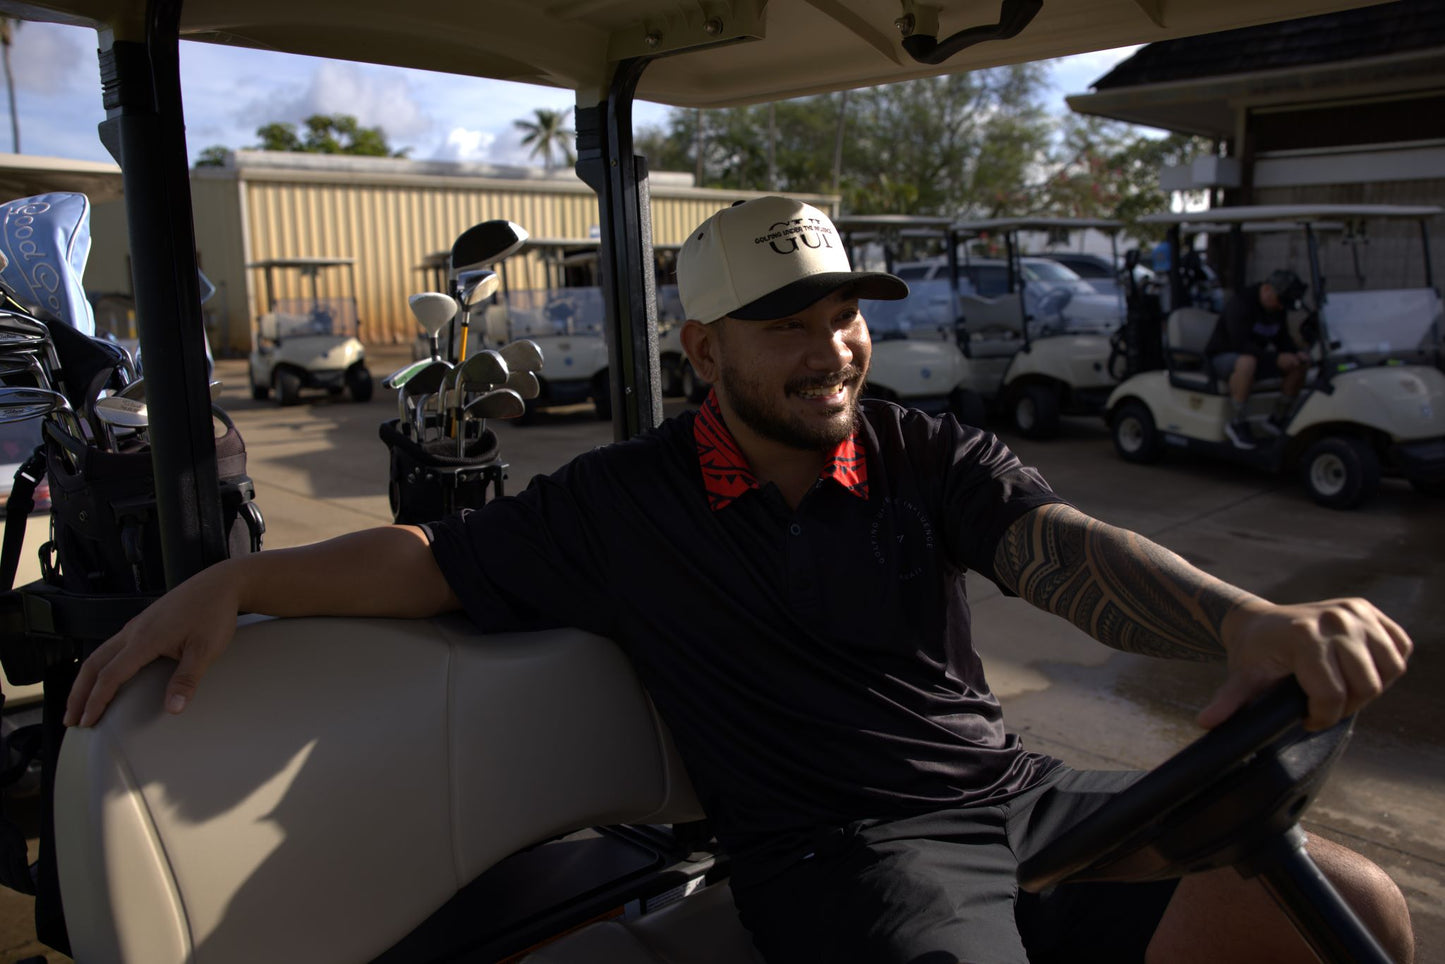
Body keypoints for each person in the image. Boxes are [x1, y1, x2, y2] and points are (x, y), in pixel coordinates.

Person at [65, 197, 1414, 964]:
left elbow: (1057, 551)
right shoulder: (623, 505)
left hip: (1018, 796)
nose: (832, 350)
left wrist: (1247, 620)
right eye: (787, 326)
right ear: (703, 349)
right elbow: (431, 562)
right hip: (850, 857)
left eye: (844, 313)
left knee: (1346, 901)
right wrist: (238, 588)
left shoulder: (915, 451)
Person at [1207, 269, 1313, 449]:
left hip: (1256, 358)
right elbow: (1239, 344)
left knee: (1298, 365)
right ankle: (1237, 422)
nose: (1281, 307)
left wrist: (1295, 353)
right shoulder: (1242, 303)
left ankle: (1277, 418)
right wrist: (1276, 358)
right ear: (1266, 289)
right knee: (1247, 362)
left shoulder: (1276, 309)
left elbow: (1282, 338)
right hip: (1223, 357)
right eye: (1280, 301)